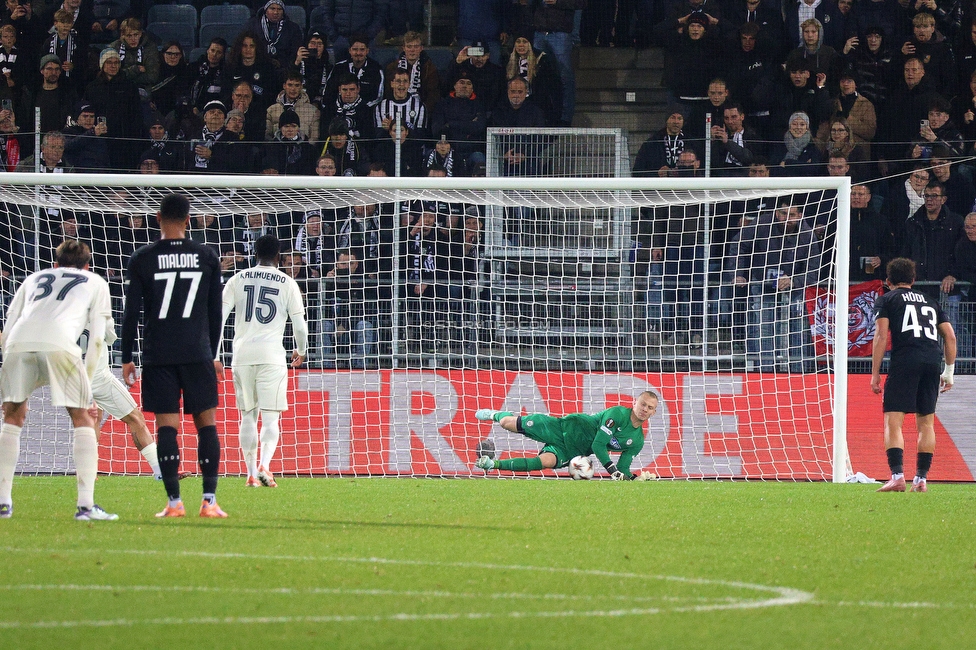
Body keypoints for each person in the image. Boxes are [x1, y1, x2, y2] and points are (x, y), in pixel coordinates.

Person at [120, 193, 227, 518]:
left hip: (159, 354)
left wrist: (127, 356)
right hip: (197, 353)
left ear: (157, 218)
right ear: (188, 220)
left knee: (167, 427)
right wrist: (212, 352)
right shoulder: (206, 255)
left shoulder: (143, 258)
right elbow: (216, 312)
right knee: (206, 425)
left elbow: (131, 312)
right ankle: (209, 501)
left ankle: (174, 503)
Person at [0, 239, 115, 521]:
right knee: (82, 416)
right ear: (87, 266)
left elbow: (9, 323)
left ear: (55, 264)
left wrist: (8, 364)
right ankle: (85, 507)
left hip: (17, 343)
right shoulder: (95, 281)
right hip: (60, 343)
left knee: (12, 416)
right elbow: (97, 338)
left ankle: (3, 503)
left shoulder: (33, 278)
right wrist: (88, 387)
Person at [220, 234, 306, 488]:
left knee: (247, 416)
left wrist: (214, 354)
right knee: (270, 418)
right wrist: (301, 349)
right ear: (279, 256)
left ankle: (249, 474)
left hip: (242, 355)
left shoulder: (237, 279)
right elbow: (299, 325)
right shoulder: (288, 283)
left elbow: (218, 318)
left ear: (255, 254)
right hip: (271, 356)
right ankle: (264, 466)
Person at [871, 257, 956, 493]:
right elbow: (950, 336)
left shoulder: (887, 299)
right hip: (932, 361)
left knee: (893, 420)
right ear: (913, 279)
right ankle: (920, 480)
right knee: (926, 422)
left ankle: (897, 476)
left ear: (888, 281)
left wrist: (875, 373)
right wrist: (949, 371)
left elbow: (881, 335)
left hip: (905, 360)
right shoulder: (930, 301)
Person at [472, 391, 660, 479]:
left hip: (573, 450)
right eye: (643, 404)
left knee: (544, 462)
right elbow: (598, 445)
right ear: (634, 403)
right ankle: (495, 414)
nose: (645, 409)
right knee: (507, 423)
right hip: (565, 427)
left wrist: (635, 478)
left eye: (650, 407)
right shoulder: (617, 414)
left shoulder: (637, 441)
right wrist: (612, 470)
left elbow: (623, 468)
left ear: (653, 412)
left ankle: (492, 465)